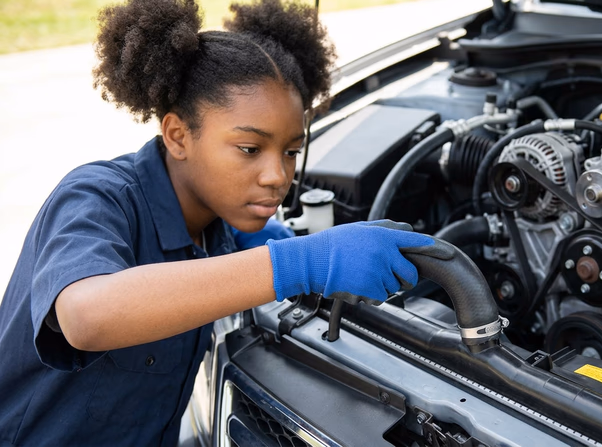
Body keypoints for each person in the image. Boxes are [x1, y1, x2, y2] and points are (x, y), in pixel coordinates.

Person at [0, 0, 432, 445]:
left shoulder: (218, 227)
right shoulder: (97, 196)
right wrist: (300, 262)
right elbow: (85, 316)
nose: (277, 176)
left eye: (290, 151)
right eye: (249, 149)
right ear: (178, 135)